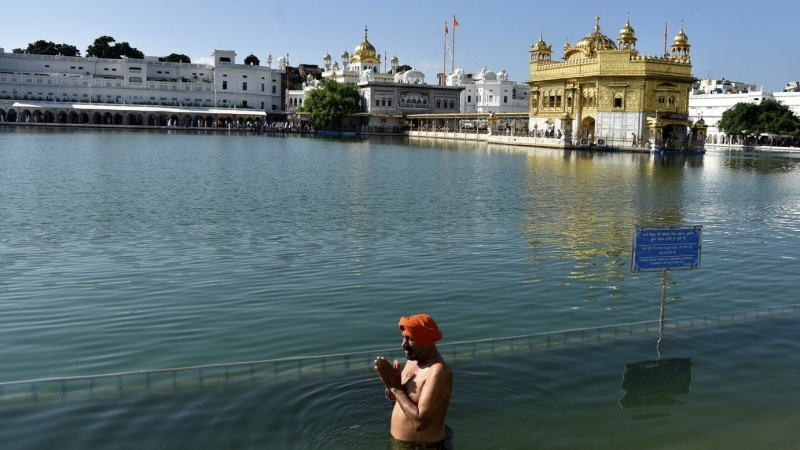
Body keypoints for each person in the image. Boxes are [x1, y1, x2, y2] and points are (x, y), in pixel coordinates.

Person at [375, 314, 453, 448]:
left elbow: (419, 423)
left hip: (426, 447)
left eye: (410, 339)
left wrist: (395, 387)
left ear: (426, 341)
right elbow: (399, 402)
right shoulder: (413, 361)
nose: (403, 345)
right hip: (400, 444)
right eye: (403, 337)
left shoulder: (438, 371)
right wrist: (391, 386)